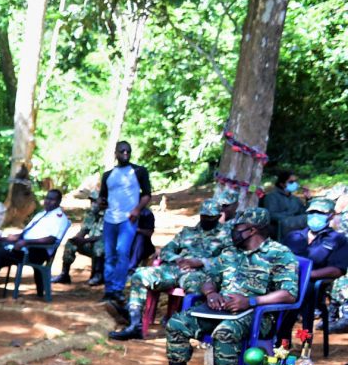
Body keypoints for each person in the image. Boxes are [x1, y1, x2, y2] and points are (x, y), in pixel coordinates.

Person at [158, 208, 299, 365]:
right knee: (176, 324)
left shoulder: (279, 254)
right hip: (219, 309)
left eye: (237, 228)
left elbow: (289, 294)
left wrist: (251, 301)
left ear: (251, 230)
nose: (232, 232)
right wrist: (211, 294)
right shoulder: (229, 252)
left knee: (226, 332)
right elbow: (208, 278)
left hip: (258, 314)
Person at [108, 199, 230, 341]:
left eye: (210, 217)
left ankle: (190, 329)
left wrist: (201, 262)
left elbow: (228, 258)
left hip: (199, 274)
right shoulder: (187, 232)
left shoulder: (226, 235)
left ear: (217, 216)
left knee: (199, 290)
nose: (206, 219)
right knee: (140, 275)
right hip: (174, 269)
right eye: (204, 216)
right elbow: (167, 250)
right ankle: (135, 324)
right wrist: (177, 259)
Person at [0, 189, 71, 306]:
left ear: (59, 201)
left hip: (37, 251)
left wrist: (25, 242)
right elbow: (27, 233)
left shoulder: (59, 217)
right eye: (47, 198)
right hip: (24, 246)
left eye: (52, 199)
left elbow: (50, 239)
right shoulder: (41, 214)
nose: (48, 201)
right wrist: (6, 238)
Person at [277, 197, 348, 342]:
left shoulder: (338, 240)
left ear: (331, 215)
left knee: (298, 292)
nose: (315, 216)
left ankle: (283, 340)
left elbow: (337, 270)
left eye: (320, 213)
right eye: (312, 212)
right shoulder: (293, 236)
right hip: (284, 279)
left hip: (313, 283)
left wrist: (307, 275)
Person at [99, 141, 152, 305]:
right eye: (122, 151)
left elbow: (147, 194)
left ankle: (117, 289)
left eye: (128, 151)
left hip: (128, 220)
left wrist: (137, 209)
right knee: (109, 256)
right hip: (109, 219)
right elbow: (104, 197)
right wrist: (100, 202)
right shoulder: (108, 175)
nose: (125, 154)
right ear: (115, 153)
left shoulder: (138, 171)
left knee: (122, 253)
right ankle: (108, 290)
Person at [52, 190, 105, 286]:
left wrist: (85, 240)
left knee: (99, 244)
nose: (92, 204)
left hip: (105, 248)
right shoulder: (91, 214)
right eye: (91, 201)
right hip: (90, 244)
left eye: (95, 201)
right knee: (71, 243)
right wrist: (77, 239)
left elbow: (105, 236)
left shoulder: (109, 215)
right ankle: (64, 274)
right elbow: (84, 231)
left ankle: (98, 275)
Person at [260, 169, 310, 239]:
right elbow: (271, 214)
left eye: (295, 181)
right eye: (291, 182)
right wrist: (290, 218)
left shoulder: (295, 199)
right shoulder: (271, 197)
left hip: (295, 227)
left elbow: (304, 213)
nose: (294, 184)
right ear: (282, 184)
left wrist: (308, 199)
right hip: (279, 229)